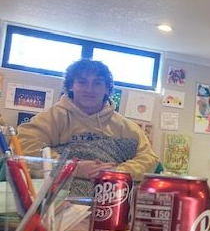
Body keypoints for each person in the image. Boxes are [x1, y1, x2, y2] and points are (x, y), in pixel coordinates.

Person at [19, 59, 159, 194]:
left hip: (112, 201)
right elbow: (24, 149)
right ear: (71, 87)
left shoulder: (126, 126)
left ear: (107, 89)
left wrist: (116, 172)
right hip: (59, 203)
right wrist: (73, 167)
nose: (89, 89)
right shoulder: (51, 119)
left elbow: (149, 158)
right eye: (82, 82)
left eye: (97, 83)